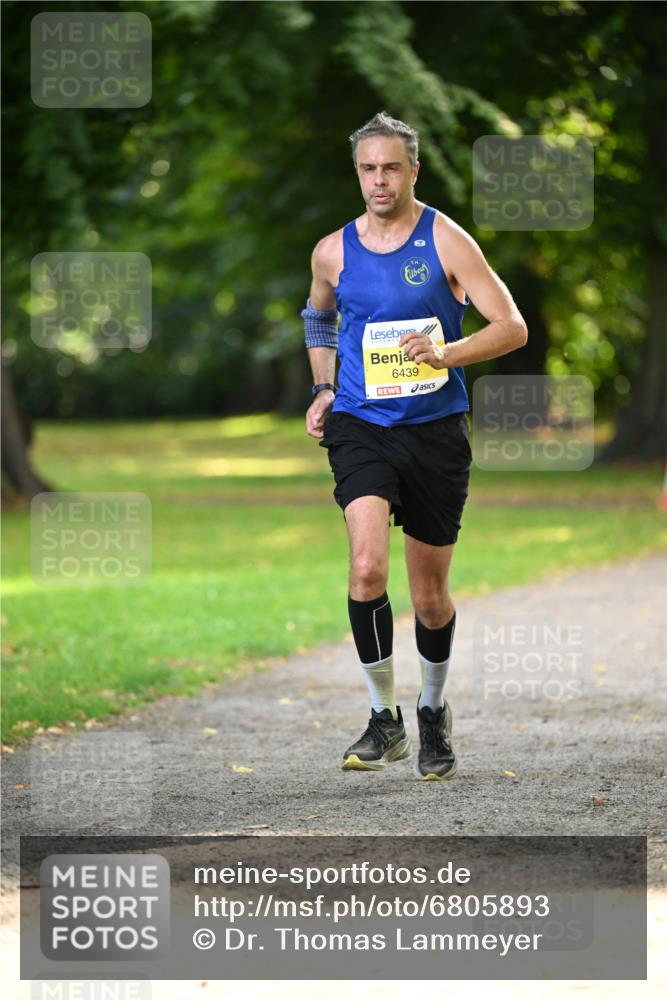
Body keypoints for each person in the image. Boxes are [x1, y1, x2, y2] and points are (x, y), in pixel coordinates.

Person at [303, 112, 527, 780]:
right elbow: (316, 312)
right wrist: (321, 389)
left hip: (434, 433)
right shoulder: (331, 250)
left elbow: (510, 326)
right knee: (367, 568)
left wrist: (446, 353)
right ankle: (383, 717)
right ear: (357, 172)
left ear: (412, 171)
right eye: (368, 168)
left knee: (429, 597)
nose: (379, 179)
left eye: (391, 167)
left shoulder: (445, 240)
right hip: (360, 424)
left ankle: (431, 710)